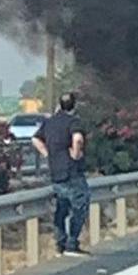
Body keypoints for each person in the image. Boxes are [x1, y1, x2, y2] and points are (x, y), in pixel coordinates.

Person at [31, 92, 90, 257]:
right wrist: (76, 154)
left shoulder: (49, 122)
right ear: (74, 106)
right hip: (72, 172)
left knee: (61, 208)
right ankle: (72, 243)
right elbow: (77, 139)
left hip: (55, 171)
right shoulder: (74, 122)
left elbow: (35, 139)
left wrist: (46, 153)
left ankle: (60, 243)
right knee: (80, 206)